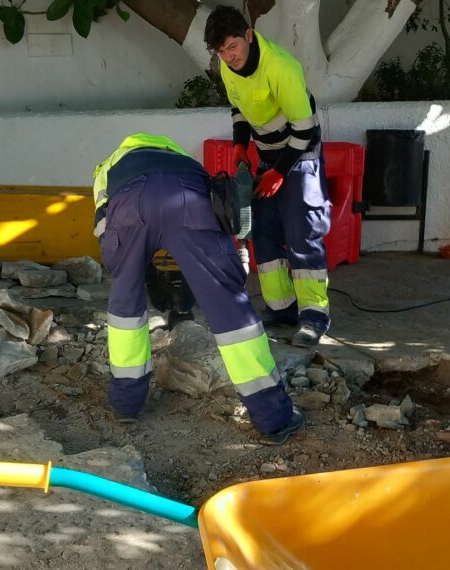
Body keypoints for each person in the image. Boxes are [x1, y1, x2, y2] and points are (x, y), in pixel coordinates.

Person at [91, 132, 304, 444]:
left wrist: (139, 274)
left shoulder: (108, 167)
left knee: (125, 309)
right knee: (231, 309)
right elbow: (221, 213)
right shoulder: (185, 162)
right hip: (189, 200)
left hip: (130, 204)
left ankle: (125, 403)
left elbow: (104, 231)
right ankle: (273, 417)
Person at [204, 6, 331, 347]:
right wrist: (239, 146)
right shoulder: (228, 66)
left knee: (303, 231)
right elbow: (239, 108)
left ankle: (314, 316)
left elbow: (305, 130)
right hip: (267, 154)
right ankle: (281, 309)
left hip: (300, 152)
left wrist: (279, 172)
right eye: (221, 51)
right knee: (264, 230)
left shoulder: (281, 67)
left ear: (248, 36)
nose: (228, 57)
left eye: (233, 47)